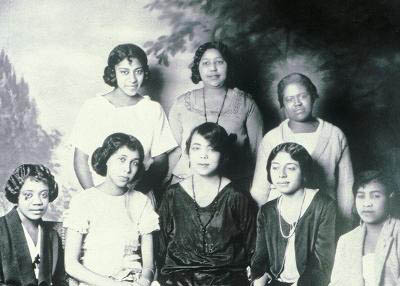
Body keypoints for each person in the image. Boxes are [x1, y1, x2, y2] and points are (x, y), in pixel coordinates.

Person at [251, 72, 354, 232]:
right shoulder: (272, 138)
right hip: (279, 222)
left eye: (302, 96)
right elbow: (259, 189)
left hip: (322, 221)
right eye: (289, 99)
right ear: (282, 104)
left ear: (313, 96)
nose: (297, 103)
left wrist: (345, 225)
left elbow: (346, 186)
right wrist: (259, 229)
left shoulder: (335, 135)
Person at [70, 43, 177, 193]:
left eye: (138, 72)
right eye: (124, 72)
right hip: (99, 196)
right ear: (113, 73)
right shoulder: (93, 107)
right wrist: (95, 196)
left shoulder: (152, 109)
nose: (132, 79)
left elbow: (160, 161)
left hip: (140, 195)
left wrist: (135, 197)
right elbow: (80, 160)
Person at [158, 122, 256, 286]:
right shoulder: (172, 195)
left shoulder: (237, 196)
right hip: (177, 279)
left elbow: (254, 248)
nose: (204, 155)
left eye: (212, 149)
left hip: (228, 279)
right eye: (197, 148)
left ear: (224, 155)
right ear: (188, 152)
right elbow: (160, 247)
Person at [64, 133, 159, 286]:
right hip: (94, 282)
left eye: (134, 163)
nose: (127, 169)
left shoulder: (141, 202)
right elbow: (71, 265)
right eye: (121, 159)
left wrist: (144, 281)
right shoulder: (83, 201)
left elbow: (149, 265)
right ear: (106, 159)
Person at [168, 41, 263, 189]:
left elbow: (258, 152)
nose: (213, 68)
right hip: (187, 183)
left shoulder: (246, 103)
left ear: (228, 66)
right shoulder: (181, 104)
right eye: (206, 63)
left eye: (219, 62)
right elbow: (174, 151)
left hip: (233, 186)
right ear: (197, 68)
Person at [251, 143, 336, 286]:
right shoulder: (267, 210)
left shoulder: (323, 205)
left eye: (290, 168)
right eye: (275, 167)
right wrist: (258, 278)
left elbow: (323, 263)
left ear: (304, 171)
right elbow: (260, 257)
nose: (281, 174)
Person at [330, 170, 400, 285]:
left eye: (375, 196)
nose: (367, 203)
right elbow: (337, 283)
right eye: (361, 196)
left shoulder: (398, 233)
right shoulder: (346, 240)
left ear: (390, 197)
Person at [0, 164, 66, 285]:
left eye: (44, 195)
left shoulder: (52, 236)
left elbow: (60, 281)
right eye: (28, 195)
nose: (38, 202)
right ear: (17, 195)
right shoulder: (2, 230)